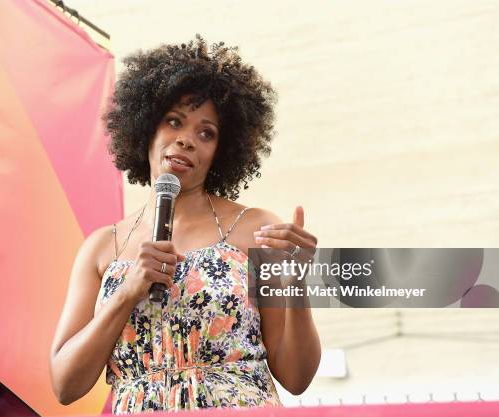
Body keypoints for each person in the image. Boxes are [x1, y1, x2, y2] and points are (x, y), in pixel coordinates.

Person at [49, 34, 321, 414]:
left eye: (205, 133)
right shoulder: (101, 247)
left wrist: (297, 285)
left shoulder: (254, 228)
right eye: (174, 122)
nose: (187, 140)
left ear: (221, 152)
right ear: (145, 129)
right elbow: (65, 384)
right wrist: (128, 292)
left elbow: (296, 377)